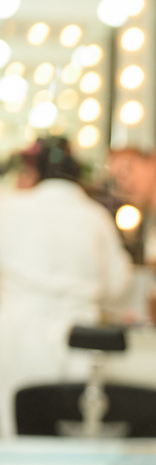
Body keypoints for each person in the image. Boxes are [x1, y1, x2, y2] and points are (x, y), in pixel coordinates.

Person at [0, 136, 132, 436]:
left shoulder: (8, 207)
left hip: (15, 334)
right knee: (70, 434)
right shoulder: (95, 216)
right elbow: (117, 285)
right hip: (78, 337)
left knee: (13, 431)